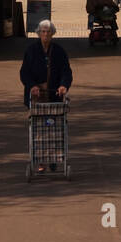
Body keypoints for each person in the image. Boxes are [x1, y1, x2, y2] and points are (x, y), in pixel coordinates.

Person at [19, 20, 73, 172]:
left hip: (54, 96)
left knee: (54, 127)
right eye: (43, 31)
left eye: (48, 32)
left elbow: (66, 71)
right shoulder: (31, 50)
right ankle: (41, 161)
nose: (45, 34)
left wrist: (63, 85)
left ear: (52, 33)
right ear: (38, 33)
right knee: (39, 129)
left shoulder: (59, 51)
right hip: (38, 97)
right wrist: (32, 86)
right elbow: (24, 72)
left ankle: (55, 157)